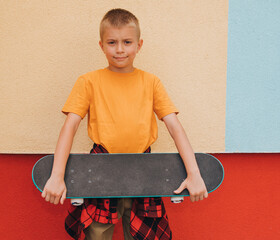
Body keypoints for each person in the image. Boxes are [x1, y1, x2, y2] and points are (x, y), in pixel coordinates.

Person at [41, 8, 208, 240]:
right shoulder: (88, 81)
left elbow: (174, 127)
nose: (120, 49)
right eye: (112, 42)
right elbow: (69, 127)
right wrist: (57, 176)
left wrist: (194, 173)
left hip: (143, 170)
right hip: (101, 172)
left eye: (127, 42)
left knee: (143, 235)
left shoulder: (151, 82)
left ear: (139, 45)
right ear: (101, 45)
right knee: (96, 235)